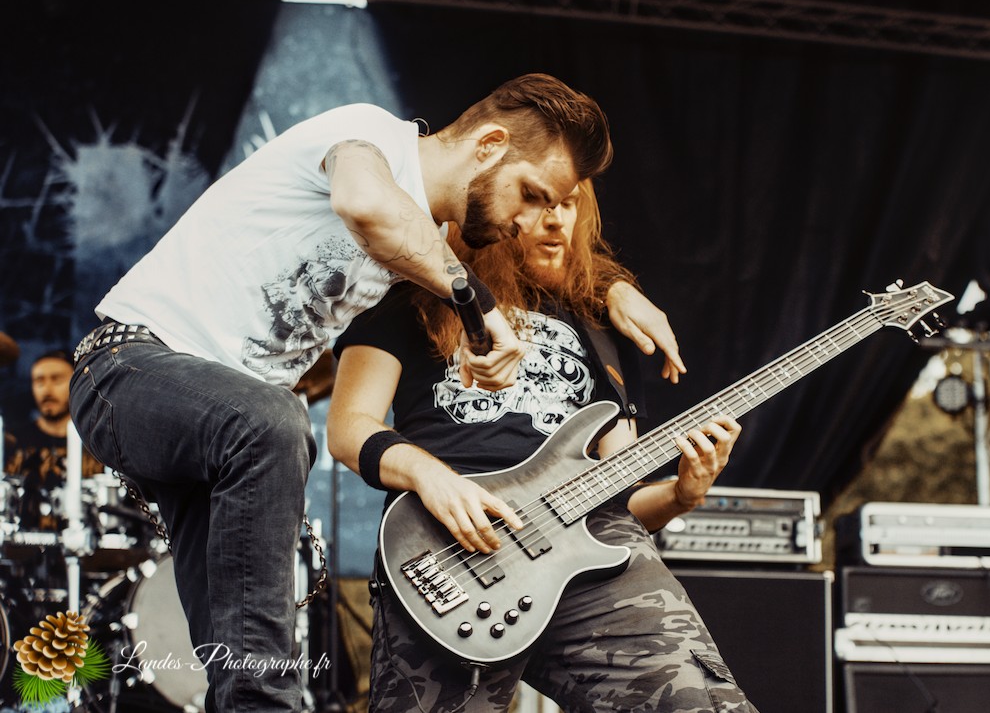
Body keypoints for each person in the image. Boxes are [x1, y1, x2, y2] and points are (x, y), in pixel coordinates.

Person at [69, 74, 679, 712]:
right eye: (528, 195)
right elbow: (367, 204)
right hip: (125, 369)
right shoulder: (368, 136)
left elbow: (540, 263)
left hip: (220, 434)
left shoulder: (427, 243)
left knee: (239, 663)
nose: (525, 222)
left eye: (549, 205)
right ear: (490, 144)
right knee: (275, 421)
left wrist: (610, 287)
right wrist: (476, 305)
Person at [328, 180, 758, 712]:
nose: (557, 220)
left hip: (594, 557)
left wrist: (681, 495)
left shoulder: (602, 327)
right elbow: (347, 427)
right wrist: (429, 476)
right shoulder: (411, 297)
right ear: (485, 210)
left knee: (702, 703)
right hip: (449, 545)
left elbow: (621, 496)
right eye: (538, 202)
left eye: (569, 204)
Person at [3, 349, 104, 530]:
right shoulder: (11, 441)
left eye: (56, 379)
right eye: (39, 381)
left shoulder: (100, 441)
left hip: (86, 541)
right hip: (20, 542)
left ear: (77, 382)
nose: (47, 390)